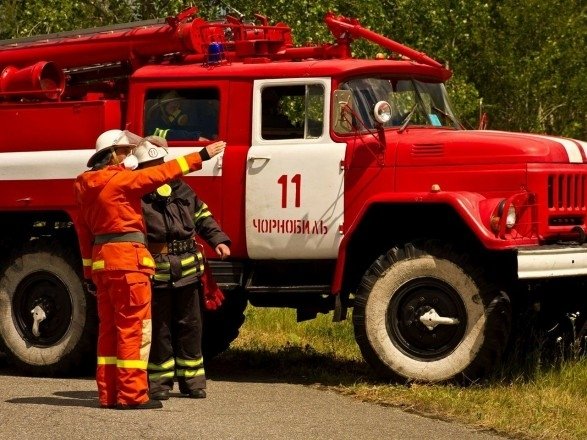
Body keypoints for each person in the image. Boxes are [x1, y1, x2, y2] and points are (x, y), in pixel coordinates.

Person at [74, 129, 225, 410]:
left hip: (102, 263)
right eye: (125, 151)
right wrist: (202, 155)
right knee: (134, 329)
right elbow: (160, 174)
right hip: (128, 264)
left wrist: (88, 274)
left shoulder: (85, 187)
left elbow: (84, 236)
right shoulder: (121, 181)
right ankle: (132, 395)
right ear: (112, 155)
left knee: (109, 332)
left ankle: (109, 393)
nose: (130, 155)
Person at [134, 137, 230, 400]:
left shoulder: (182, 189)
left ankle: (194, 382)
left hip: (187, 270)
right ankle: (159, 383)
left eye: (159, 162)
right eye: (150, 164)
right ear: (141, 168)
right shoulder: (136, 196)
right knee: (160, 329)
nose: (157, 168)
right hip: (157, 273)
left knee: (191, 326)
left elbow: (203, 217)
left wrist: (218, 240)